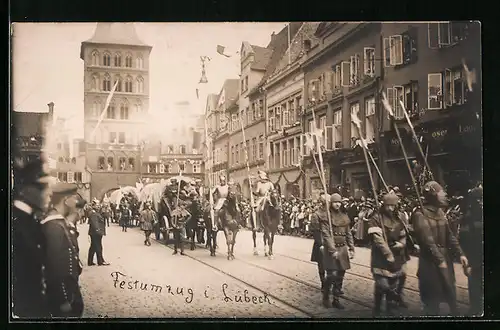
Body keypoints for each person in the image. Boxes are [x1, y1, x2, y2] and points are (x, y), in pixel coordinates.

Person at [411, 181, 468, 315]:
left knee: (451, 297)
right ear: (432, 195)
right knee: (432, 301)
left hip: (444, 261)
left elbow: (450, 236)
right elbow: (427, 240)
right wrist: (439, 260)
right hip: (430, 264)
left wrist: (461, 254)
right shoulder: (420, 214)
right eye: (441, 192)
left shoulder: (441, 213)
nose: (445, 195)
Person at [12, 160, 52, 318]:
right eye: (44, 189)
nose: (50, 195)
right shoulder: (15, 223)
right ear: (29, 190)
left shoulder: (29, 220)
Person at [40, 183, 84, 318]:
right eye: (74, 198)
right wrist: (63, 299)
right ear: (66, 201)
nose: (76, 202)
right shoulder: (53, 226)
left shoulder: (59, 223)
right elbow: (55, 268)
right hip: (63, 298)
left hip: (70, 291)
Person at [366, 192, 410, 316]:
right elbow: (377, 238)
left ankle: (390, 308)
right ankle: (377, 307)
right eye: (388, 206)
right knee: (382, 284)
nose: (390, 208)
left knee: (394, 283)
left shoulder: (400, 217)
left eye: (393, 206)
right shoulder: (375, 218)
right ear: (383, 205)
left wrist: (402, 244)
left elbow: (403, 234)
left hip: (397, 254)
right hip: (380, 255)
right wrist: (387, 253)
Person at [319, 193, 355, 309]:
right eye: (335, 202)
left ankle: (336, 299)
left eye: (339, 202)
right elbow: (326, 235)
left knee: (340, 275)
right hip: (331, 249)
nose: (337, 204)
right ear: (331, 203)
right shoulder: (326, 216)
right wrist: (332, 249)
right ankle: (326, 296)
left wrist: (351, 248)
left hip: (343, 248)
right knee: (331, 275)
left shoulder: (344, 216)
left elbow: (348, 233)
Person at [459, 186, 483, 315]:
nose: (480, 202)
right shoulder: (468, 217)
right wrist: (467, 263)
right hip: (474, 260)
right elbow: (464, 241)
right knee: (475, 288)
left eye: (482, 199)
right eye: (477, 199)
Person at [309, 194, 327, 293]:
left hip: (332, 242)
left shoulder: (332, 213)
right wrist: (320, 244)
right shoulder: (316, 215)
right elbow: (315, 231)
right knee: (322, 264)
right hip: (321, 241)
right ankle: (323, 282)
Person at [88, 202, 110, 266]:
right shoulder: (93, 213)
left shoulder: (97, 212)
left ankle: (90, 261)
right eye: (97, 205)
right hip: (96, 233)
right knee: (98, 247)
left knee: (93, 247)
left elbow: (106, 215)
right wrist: (98, 230)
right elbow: (95, 223)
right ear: (93, 206)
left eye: (98, 205)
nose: (98, 206)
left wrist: (105, 209)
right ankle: (100, 261)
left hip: (94, 232)